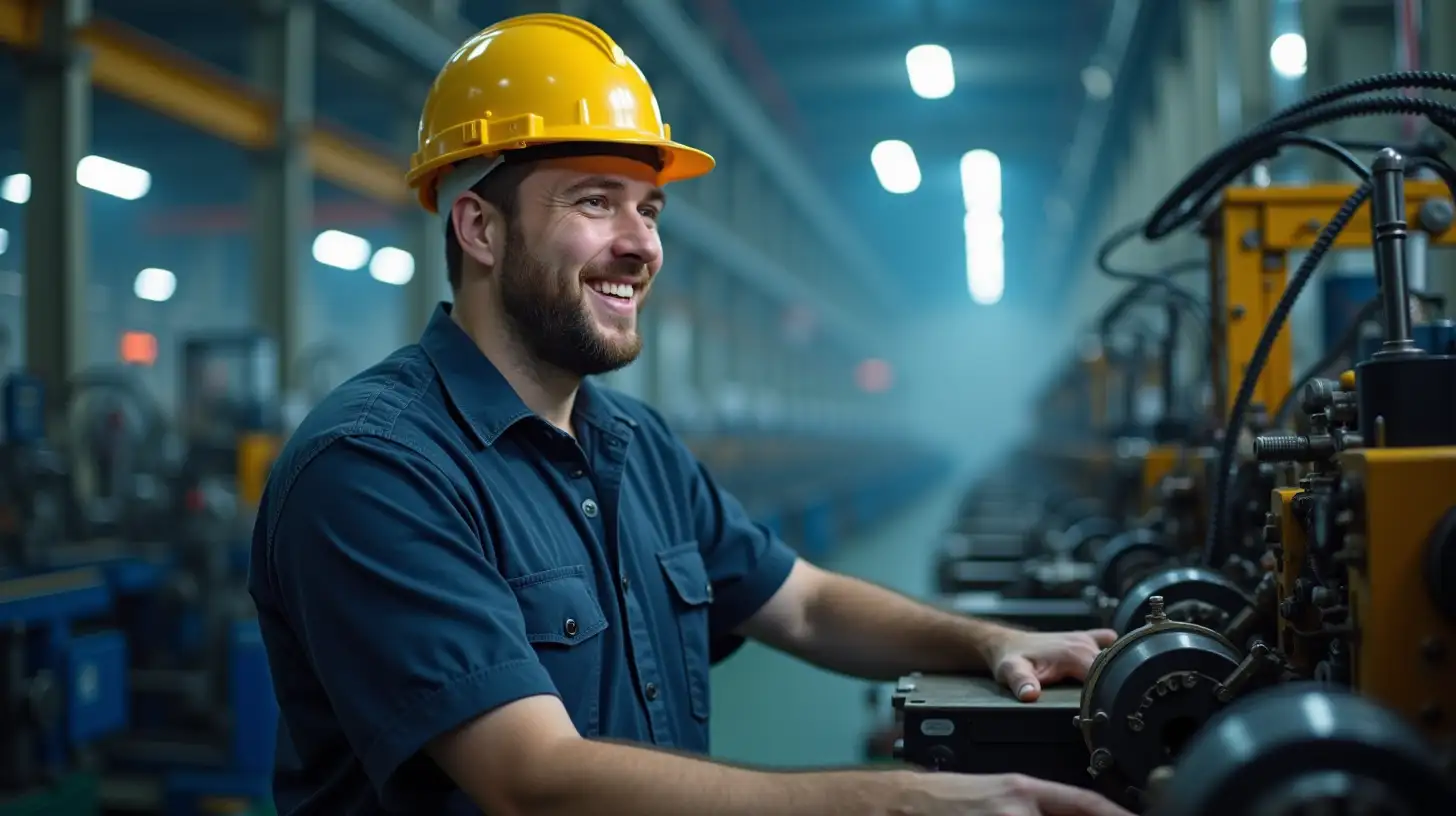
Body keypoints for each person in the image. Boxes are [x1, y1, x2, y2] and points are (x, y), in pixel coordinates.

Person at [247, 12, 1133, 816]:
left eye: (650, 208)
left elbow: (808, 606)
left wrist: (989, 642)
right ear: (479, 229)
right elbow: (531, 780)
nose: (642, 244)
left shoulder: (635, 446)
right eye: (596, 201)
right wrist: (895, 802)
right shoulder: (375, 467)